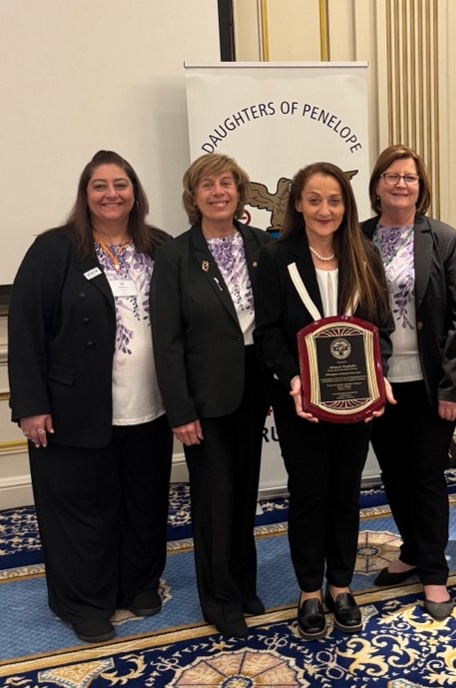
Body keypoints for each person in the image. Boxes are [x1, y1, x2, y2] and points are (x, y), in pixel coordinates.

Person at [7, 150, 173, 643]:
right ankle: (84, 603)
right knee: (82, 511)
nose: (111, 194)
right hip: (73, 411)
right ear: (85, 195)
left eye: (121, 184)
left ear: (135, 194)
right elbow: (25, 327)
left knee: (143, 502)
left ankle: (139, 584)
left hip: (150, 406)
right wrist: (31, 405)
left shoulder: (159, 247)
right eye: (99, 186)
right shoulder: (55, 249)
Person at [254, 162, 394, 639]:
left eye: (334, 200)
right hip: (302, 402)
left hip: (357, 400)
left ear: (346, 206)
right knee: (310, 492)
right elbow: (269, 332)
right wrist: (293, 377)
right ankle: (309, 589)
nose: (324, 209)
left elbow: (382, 330)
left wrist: (379, 377)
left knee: (347, 492)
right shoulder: (277, 258)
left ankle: (341, 585)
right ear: (297, 204)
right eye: (314, 199)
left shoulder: (366, 255)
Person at [150, 153, 271, 638]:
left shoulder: (264, 245)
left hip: (254, 386)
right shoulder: (175, 255)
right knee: (214, 498)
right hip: (203, 398)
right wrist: (180, 410)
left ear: (240, 192)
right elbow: (168, 339)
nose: (218, 191)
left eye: (227, 183)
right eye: (207, 185)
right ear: (193, 196)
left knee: (244, 494)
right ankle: (218, 599)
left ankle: (243, 584)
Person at [360, 145, 456, 620]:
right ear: (377, 185)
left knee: (426, 477)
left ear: (421, 185)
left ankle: (432, 573)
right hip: (376, 382)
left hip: (429, 384)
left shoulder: (444, 238)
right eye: (392, 176)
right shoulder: (357, 238)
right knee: (394, 473)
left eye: (409, 177)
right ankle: (410, 550)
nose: (401, 184)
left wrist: (452, 389)